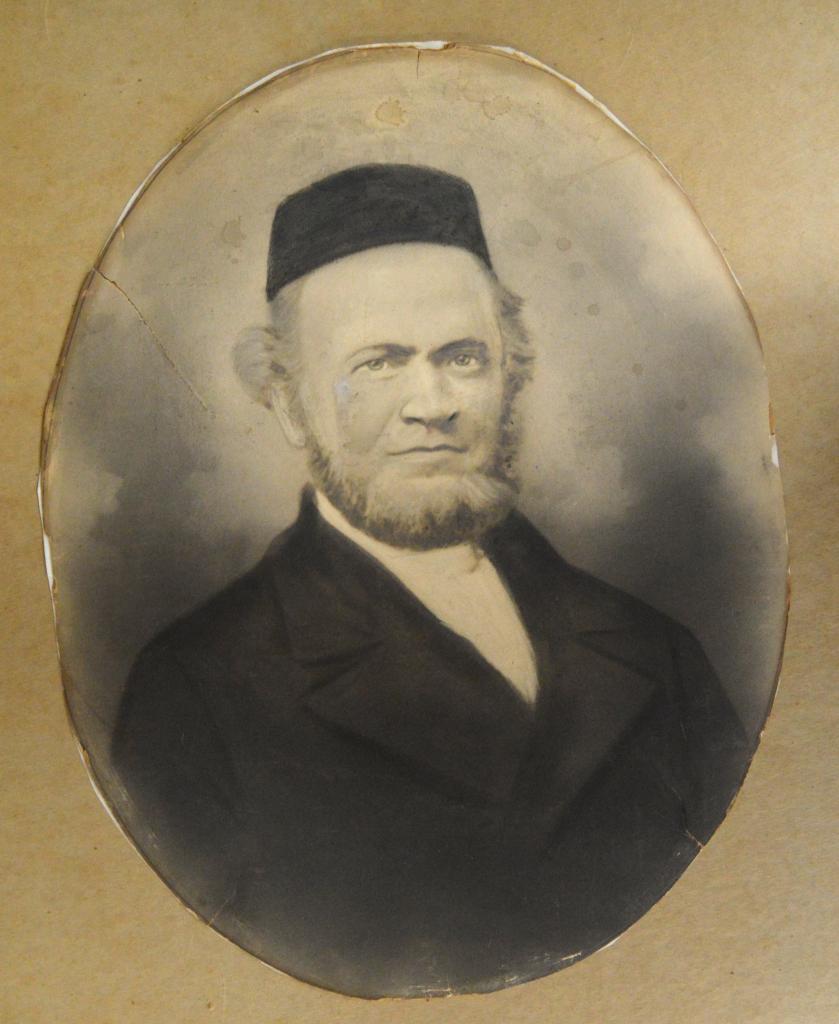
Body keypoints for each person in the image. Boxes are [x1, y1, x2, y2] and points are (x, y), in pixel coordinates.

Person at [112, 164, 749, 997]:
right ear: (288, 404)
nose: (433, 403)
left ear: (510, 377)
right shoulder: (196, 687)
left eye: (463, 357)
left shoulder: (652, 650)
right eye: (379, 363)